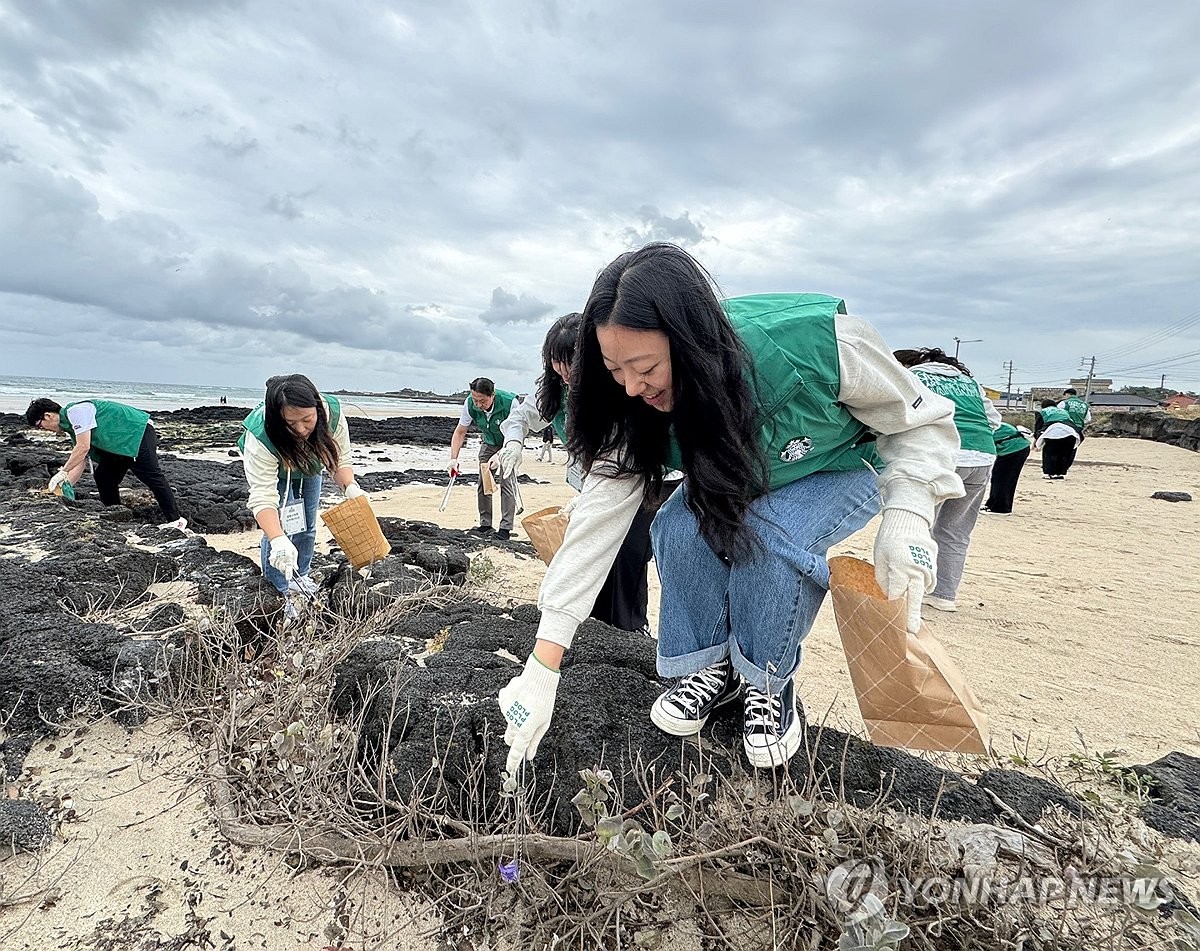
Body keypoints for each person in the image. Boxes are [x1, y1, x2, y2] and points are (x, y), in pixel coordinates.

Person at [497, 244, 962, 774]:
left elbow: (921, 420)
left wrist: (909, 514)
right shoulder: (629, 405)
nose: (630, 386)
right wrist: (542, 667)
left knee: (767, 535)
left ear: (691, 341)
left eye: (645, 367)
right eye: (612, 369)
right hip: (740, 474)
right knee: (675, 525)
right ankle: (709, 668)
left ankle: (767, 684)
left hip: (839, 465)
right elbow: (595, 524)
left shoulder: (816, 343)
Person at [496, 311, 679, 633]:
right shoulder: (553, 388)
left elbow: (628, 450)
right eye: (558, 368)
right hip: (593, 482)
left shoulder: (620, 388)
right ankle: (594, 624)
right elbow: (521, 417)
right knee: (592, 551)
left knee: (627, 552)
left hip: (649, 478)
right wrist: (513, 444)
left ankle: (630, 628)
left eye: (573, 368)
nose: (566, 378)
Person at [239, 374, 363, 606]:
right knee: (279, 530)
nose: (301, 430)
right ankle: (278, 588)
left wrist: (350, 488)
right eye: (290, 423)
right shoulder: (260, 434)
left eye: (307, 419)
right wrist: (278, 540)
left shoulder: (331, 414)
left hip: (308, 464)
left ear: (316, 408)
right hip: (276, 467)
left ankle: (301, 576)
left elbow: (340, 459)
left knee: (307, 522)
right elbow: (263, 496)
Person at [893, 349, 1001, 613]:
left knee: (918, 526)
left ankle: (910, 594)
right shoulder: (969, 382)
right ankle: (944, 595)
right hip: (982, 456)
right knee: (956, 531)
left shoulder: (914, 375)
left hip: (939, 454)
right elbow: (994, 421)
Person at [25, 397, 184, 527]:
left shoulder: (76, 412)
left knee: (151, 476)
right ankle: (116, 515)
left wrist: (62, 472)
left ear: (48, 416)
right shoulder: (71, 427)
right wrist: (64, 486)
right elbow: (80, 461)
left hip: (137, 432)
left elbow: (83, 447)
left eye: (40, 426)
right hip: (117, 444)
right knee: (104, 476)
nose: (43, 430)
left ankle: (175, 521)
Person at [448, 378, 519, 539]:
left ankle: (505, 528)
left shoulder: (510, 403)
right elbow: (460, 432)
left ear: (492, 395)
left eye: (482, 401)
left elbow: (516, 432)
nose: (478, 405)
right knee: (483, 482)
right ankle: (485, 524)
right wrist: (454, 459)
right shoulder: (469, 403)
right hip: (488, 443)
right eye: (475, 400)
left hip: (509, 443)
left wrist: (501, 454)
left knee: (506, 482)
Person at [981, 423, 1032, 515]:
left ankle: (1000, 508)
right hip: (1012, 448)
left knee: (1004, 479)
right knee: (997, 478)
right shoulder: (983, 422)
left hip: (1014, 449)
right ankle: (992, 504)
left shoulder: (981, 426)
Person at [1034, 400, 1080, 481]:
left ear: (1043, 406)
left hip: (1053, 432)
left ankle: (1048, 473)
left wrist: (1036, 440)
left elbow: (1038, 426)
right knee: (1064, 454)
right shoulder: (1064, 411)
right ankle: (1059, 473)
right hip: (1070, 432)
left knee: (1050, 453)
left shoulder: (1042, 412)